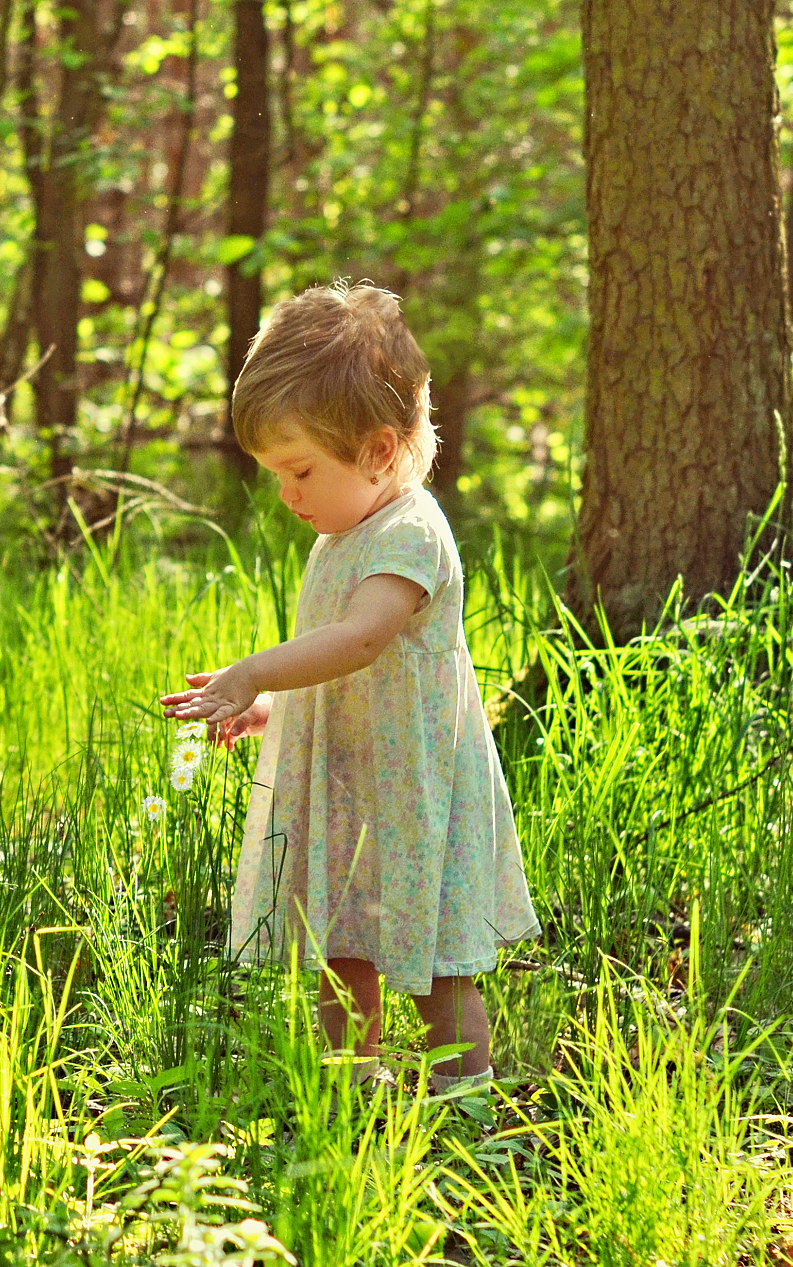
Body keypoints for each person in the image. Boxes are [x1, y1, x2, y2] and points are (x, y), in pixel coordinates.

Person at [162, 281, 539, 1095]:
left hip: (417, 793)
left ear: (375, 449)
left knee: (439, 965)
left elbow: (365, 637)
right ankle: (352, 1084)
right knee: (344, 947)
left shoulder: (410, 531)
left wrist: (258, 668)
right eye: (275, 475)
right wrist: (272, 708)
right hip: (354, 788)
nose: (287, 494)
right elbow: (337, 665)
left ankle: (465, 1096)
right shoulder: (340, 531)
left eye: (299, 469)